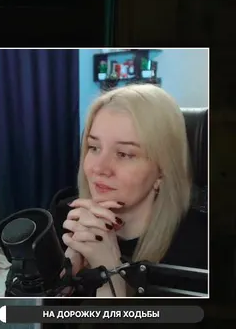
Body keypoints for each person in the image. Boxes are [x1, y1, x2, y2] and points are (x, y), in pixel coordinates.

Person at [49, 83, 206, 297]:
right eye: (94, 148)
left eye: (124, 154)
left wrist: (110, 274)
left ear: (162, 170)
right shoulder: (65, 216)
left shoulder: (200, 248)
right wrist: (65, 278)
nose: (99, 168)